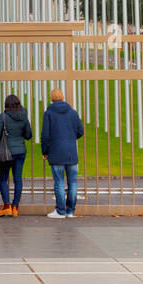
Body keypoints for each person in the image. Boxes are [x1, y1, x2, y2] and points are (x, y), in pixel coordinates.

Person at [40, 88, 83, 219]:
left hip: (56, 151)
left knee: (58, 182)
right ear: (63, 97)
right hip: (71, 152)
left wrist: (45, 152)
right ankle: (70, 211)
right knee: (73, 182)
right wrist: (70, 137)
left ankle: (60, 210)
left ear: (51, 98)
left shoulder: (49, 113)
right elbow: (80, 131)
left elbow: (45, 135)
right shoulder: (73, 113)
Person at [0, 94, 33, 216]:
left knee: (3, 178)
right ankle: (15, 207)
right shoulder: (24, 116)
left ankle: (6, 206)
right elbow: (28, 135)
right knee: (18, 179)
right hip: (20, 151)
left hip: (6, 153)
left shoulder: (4, 116)